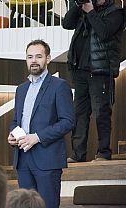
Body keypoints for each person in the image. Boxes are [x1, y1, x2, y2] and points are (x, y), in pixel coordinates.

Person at [7, 39, 75, 208]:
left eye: (39, 56)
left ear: (48, 59)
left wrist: (37, 137)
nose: (34, 61)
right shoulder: (21, 89)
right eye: (30, 57)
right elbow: (16, 120)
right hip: (23, 160)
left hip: (47, 160)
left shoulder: (59, 86)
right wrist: (13, 134)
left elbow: (68, 121)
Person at [62, 0, 124, 163]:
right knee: (79, 114)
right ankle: (78, 154)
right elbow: (66, 23)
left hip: (100, 71)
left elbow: (104, 33)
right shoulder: (84, 8)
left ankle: (103, 153)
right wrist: (78, 5)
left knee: (101, 113)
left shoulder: (116, 12)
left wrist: (90, 12)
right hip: (80, 70)